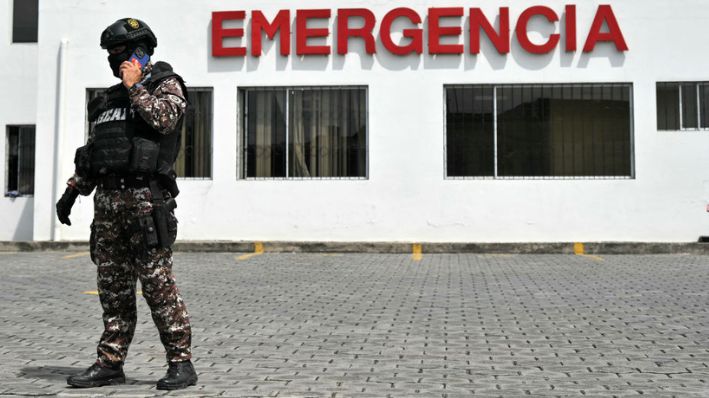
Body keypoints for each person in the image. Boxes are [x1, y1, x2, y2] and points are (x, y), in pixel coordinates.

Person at [55, 18, 197, 391]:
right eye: (109, 53)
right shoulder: (107, 100)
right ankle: (110, 362)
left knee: (159, 289)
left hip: (146, 203)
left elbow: (164, 121)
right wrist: (74, 189)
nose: (113, 58)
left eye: (119, 51)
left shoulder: (166, 85)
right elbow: (97, 153)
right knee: (113, 290)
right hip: (108, 208)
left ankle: (181, 363)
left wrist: (136, 88)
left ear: (140, 49)